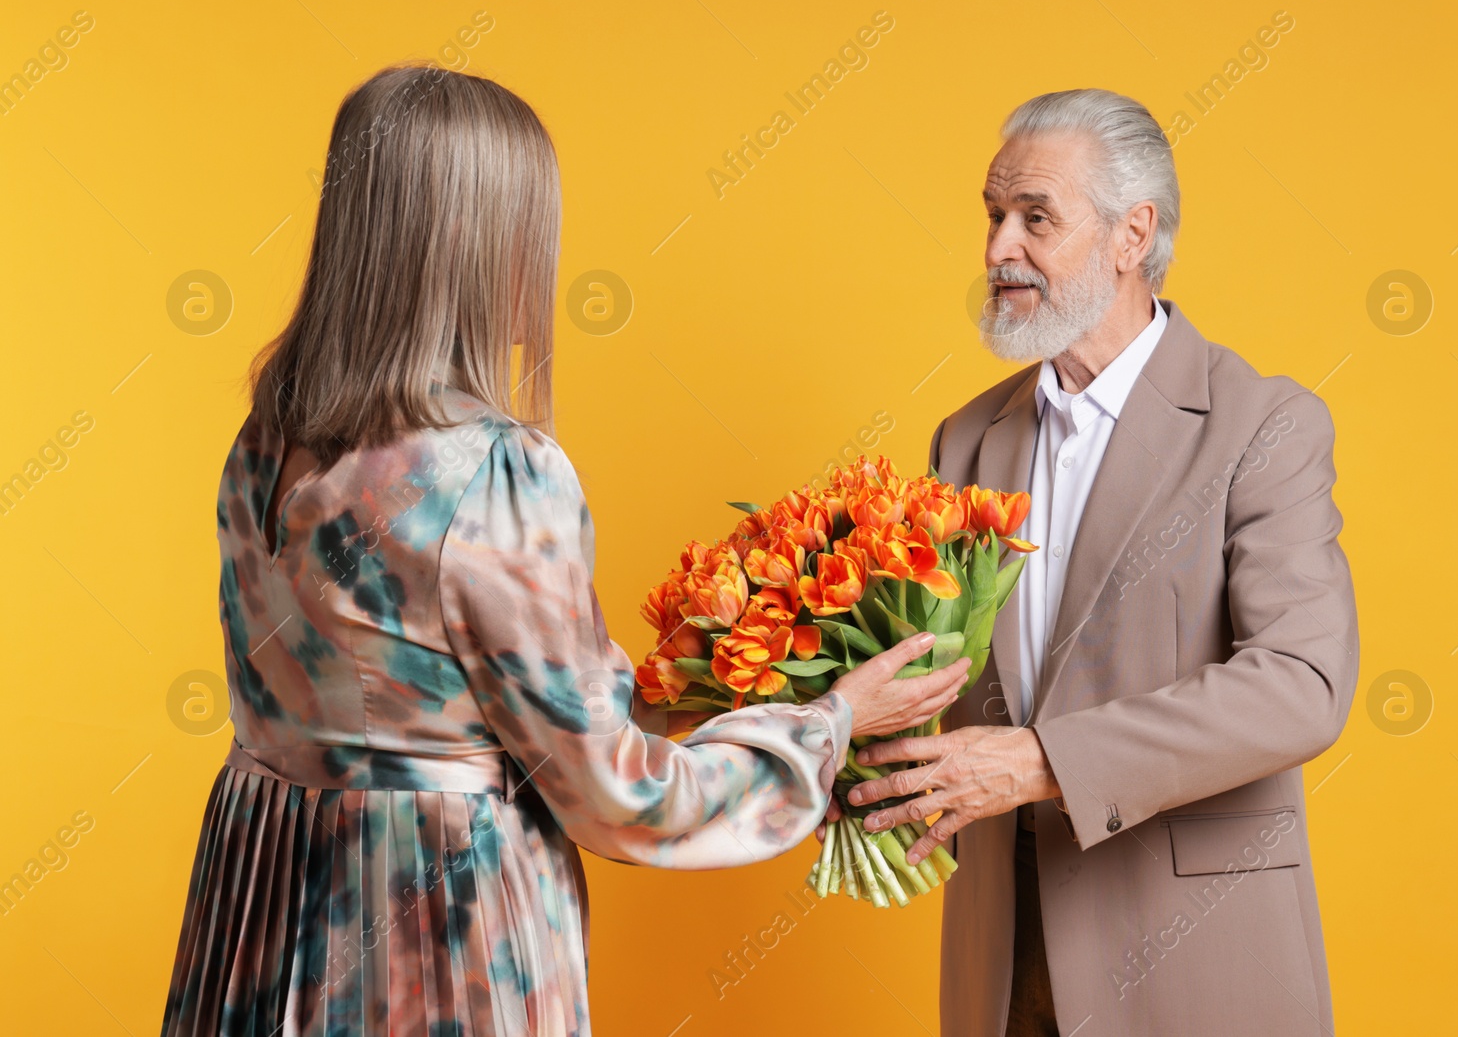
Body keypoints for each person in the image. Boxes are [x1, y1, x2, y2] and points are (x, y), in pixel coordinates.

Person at [160, 64, 970, 1037]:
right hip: (436, 930)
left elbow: (417, 686)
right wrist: (826, 723)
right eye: (526, 228)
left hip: (270, 898)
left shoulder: (265, 438)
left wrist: (671, 686)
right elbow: (618, 797)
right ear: (466, 242)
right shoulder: (499, 472)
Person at [845, 89, 1359, 1035]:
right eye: (994, 217)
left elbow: (1302, 682)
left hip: (1194, 965)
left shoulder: (1263, 426)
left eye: (1035, 218)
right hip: (1004, 964)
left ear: (1133, 235)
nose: (998, 248)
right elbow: (933, 685)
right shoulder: (963, 441)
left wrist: (1043, 762)